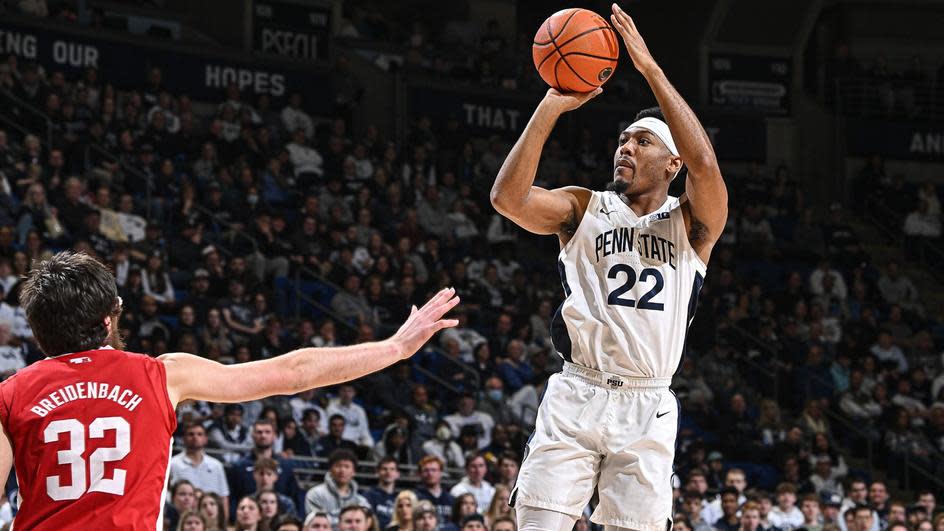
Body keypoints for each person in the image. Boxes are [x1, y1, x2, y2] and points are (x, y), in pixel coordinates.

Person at [0, 251, 459, 529]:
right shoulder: (163, 374)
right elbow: (294, 372)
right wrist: (396, 347)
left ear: (39, 332)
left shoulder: (11, 393)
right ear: (107, 320)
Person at [490, 5, 728, 530]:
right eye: (623, 139)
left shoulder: (693, 225)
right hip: (578, 391)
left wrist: (650, 68)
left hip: (648, 402)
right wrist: (550, 107)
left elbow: (706, 164)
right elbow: (507, 199)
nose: (626, 147)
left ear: (672, 164)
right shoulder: (583, 208)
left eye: (642, 141)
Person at [170, 422, 231, 520]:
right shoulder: (173, 464)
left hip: (212, 519)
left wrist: (224, 522)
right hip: (182, 519)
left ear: (205, 439)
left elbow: (223, 497)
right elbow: (169, 495)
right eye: (191, 434)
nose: (195, 437)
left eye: (199, 434)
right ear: (184, 438)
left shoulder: (216, 466)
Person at [304, 449, 370, 524]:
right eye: (338, 466)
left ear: (354, 472)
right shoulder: (316, 494)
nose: (342, 470)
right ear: (330, 469)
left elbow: (368, 522)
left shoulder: (360, 501)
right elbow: (316, 523)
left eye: (347, 466)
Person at [364, 456, 401, 528]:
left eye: (392, 469)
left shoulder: (400, 498)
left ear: (397, 474)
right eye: (384, 469)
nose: (388, 472)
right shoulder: (369, 495)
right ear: (377, 472)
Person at [415, 455, 455, 521]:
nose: (430, 473)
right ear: (420, 474)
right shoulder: (415, 498)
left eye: (434, 470)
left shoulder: (451, 499)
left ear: (441, 473)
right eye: (426, 470)